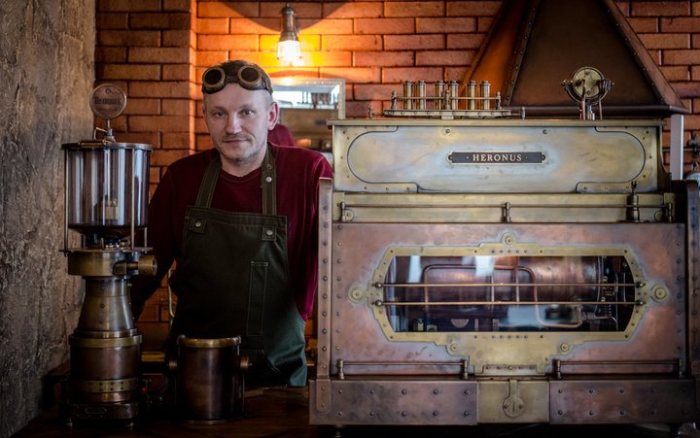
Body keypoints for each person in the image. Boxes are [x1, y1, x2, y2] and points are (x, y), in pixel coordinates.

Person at [130, 60, 333, 387]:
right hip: (192, 376)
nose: (232, 127)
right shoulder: (182, 177)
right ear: (206, 117)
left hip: (278, 380)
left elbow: (342, 270)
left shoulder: (309, 173)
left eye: (246, 112)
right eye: (219, 113)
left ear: (271, 115)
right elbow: (140, 274)